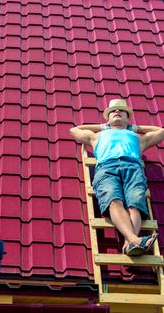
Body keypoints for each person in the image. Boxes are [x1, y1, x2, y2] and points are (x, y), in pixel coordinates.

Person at [70, 99, 164, 256]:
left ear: (128, 118)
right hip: (107, 167)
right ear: (107, 117)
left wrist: (133, 127)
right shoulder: (98, 135)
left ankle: (130, 243)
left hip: (132, 168)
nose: (117, 112)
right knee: (114, 200)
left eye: (122, 111)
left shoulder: (138, 137)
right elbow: (74, 130)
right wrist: (104, 126)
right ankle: (134, 239)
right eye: (113, 111)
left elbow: (161, 131)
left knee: (135, 205)